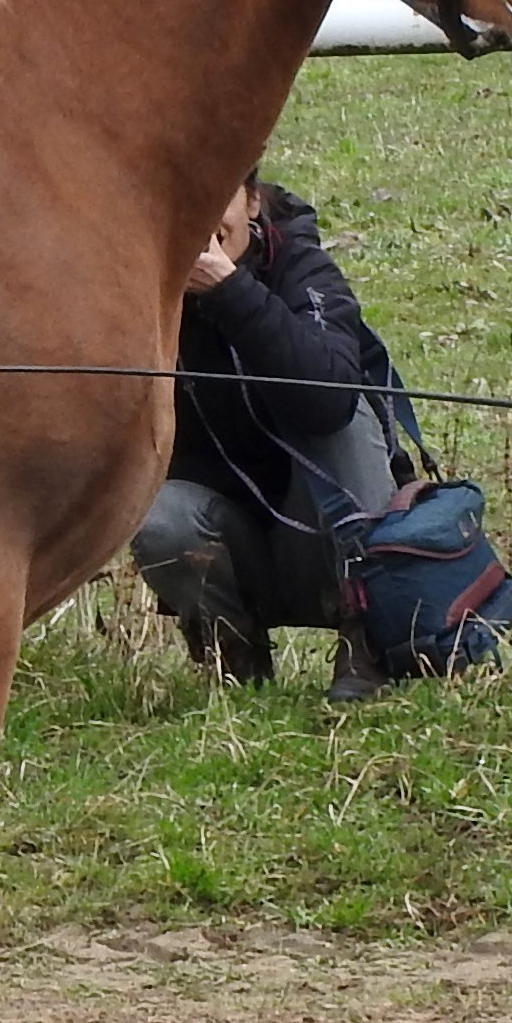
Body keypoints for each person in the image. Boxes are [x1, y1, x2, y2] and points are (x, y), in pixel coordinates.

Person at [131, 177, 403, 700]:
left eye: (220, 194)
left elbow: (327, 400)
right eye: (183, 198)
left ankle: (369, 640)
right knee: (156, 514)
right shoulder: (140, 287)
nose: (201, 217)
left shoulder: (301, 266)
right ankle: (235, 660)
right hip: (229, 537)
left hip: (326, 532)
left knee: (343, 413)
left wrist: (231, 292)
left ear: (253, 202)